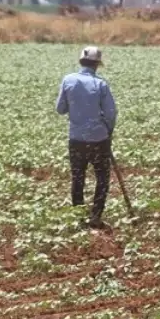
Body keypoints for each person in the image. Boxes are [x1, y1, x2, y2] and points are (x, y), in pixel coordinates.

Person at [56, 45, 117, 228]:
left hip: (76, 139)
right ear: (97, 65)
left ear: (81, 61)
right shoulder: (101, 84)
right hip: (99, 139)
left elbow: (60, 109)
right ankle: (95, 216)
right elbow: (111, 113)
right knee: (102, 178)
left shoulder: (68, 80)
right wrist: (108, 131)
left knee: (77, 177)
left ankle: (78, 217)